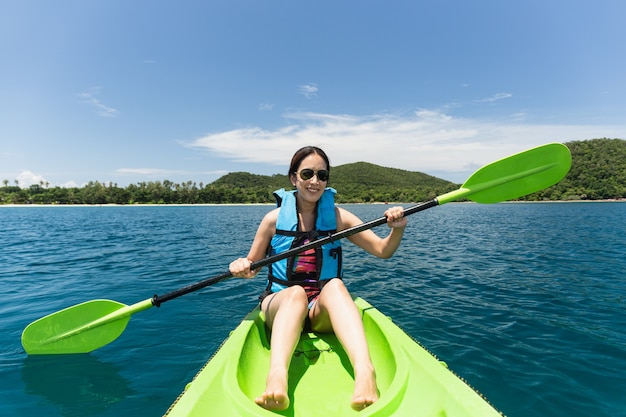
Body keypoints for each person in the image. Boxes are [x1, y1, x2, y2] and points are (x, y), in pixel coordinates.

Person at [229, 146, 407, 412]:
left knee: (335, 285)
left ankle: (365, 372)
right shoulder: (273, 220)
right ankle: (277, 376)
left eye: (322, 175)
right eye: (308, 173)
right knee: (295, 294)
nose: (315, 181)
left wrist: (397, 230)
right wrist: (241, 265)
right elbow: (251, 267)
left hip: (318, 312)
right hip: (281, 305)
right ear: (293, 178)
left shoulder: (337, 218)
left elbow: (383, 251)